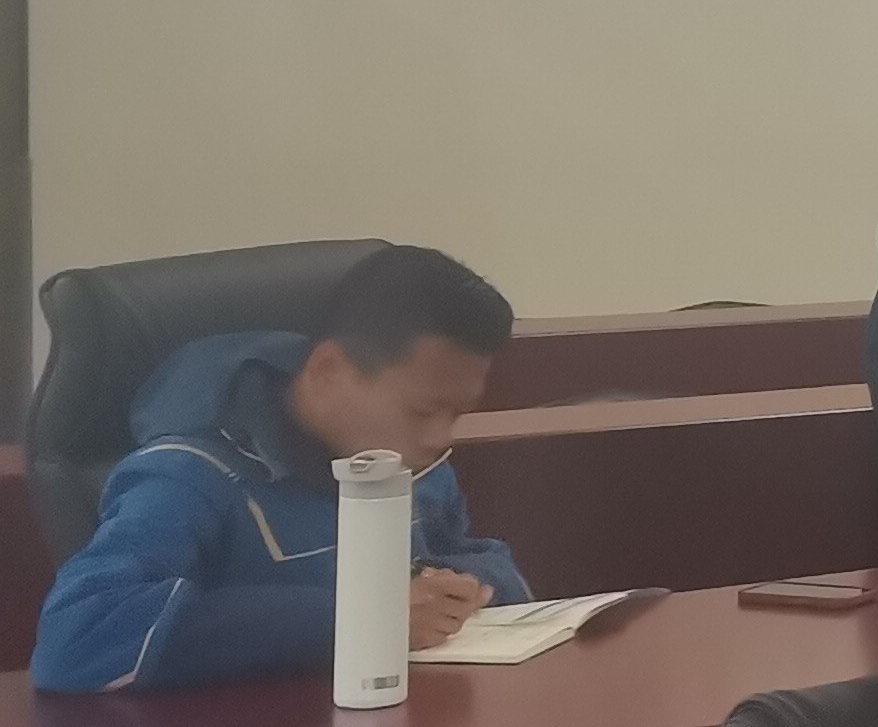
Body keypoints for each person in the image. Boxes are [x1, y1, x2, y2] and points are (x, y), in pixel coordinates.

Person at [34, 244, 531, 695]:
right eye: (422, 411)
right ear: (327, 370)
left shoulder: (410, 464)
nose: (439, 438)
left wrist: (461, 589)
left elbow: (471, 559)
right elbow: (75, 638)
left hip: (395, 726)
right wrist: (360, 615)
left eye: (457, 413)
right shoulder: (190, 475)